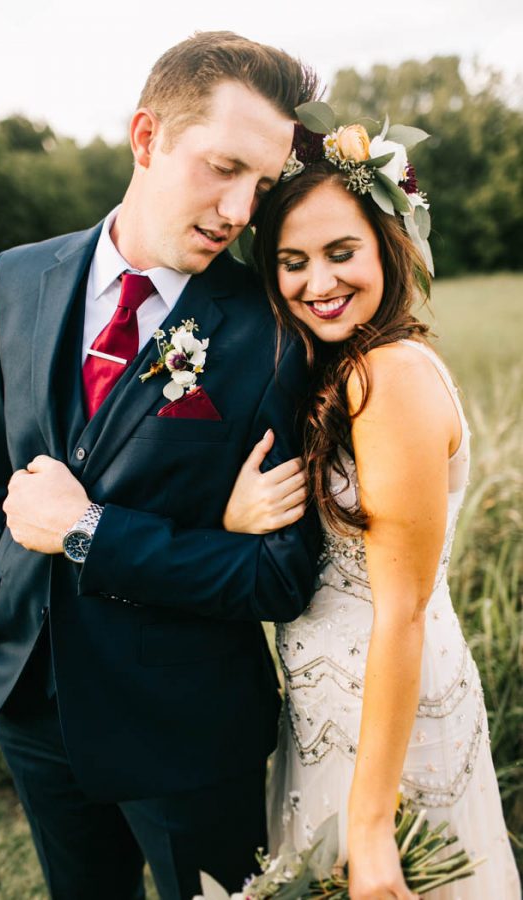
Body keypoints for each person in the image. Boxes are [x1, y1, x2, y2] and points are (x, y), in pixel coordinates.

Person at [0, 32, 322, 900]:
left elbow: (280, 578)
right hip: (32, 705)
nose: (241, 210)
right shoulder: (16, 279)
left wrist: (86, 531)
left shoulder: (273, 335)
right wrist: (3, 615)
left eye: (262, 186)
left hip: (185, 734)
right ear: (147, 138)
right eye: (223, 167)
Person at [223, 111, 521, 898]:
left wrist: (369, 824)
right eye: (292, 262)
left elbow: (402, 610)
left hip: (381, 729)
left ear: (388, 244)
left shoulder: (385, 377)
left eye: (341, 252)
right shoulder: (349, 369)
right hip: (334, 713)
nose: (318, 283)